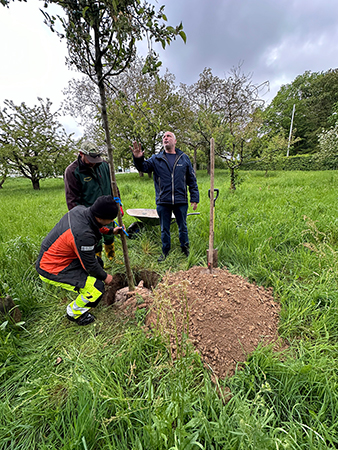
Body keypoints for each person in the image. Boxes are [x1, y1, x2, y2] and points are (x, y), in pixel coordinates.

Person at [36, 196, 122, 326]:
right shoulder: (83, 235)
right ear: (101, 217)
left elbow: (96, 226)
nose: (112, 222)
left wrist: (111, 230)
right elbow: (90, 266)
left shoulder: (81, 210)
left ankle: (87, 292)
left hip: (61, 256)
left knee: (98, 264)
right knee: (97, 288)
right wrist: (107, 278)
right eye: (111, 221)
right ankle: (75, 313)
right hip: (52, 266)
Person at [131, 131, 199, 262]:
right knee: (164, 229)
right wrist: (138, 158)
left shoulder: (184, 158)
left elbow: (192, 179)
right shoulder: (156, 159)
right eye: (164, 137)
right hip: (163, 201)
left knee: (183, 227)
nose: (165, 138)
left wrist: (194, 198)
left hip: (181, 200)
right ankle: (165, 252)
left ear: (175, 141)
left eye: (168, 136)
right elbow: (144, 167)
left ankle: (185, 249)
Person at [64, 140, 122, 261]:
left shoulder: (105, 165)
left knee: (110, 235)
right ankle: (98, 262)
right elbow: (72, 200)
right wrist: (82, 219)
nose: (93, 164)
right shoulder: (72, 172)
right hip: (90, 214)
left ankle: (112, 258)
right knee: (95, 240)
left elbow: (114, 187)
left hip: (107, 210)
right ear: (81, 154)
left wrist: (118, 204)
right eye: (90, 160)